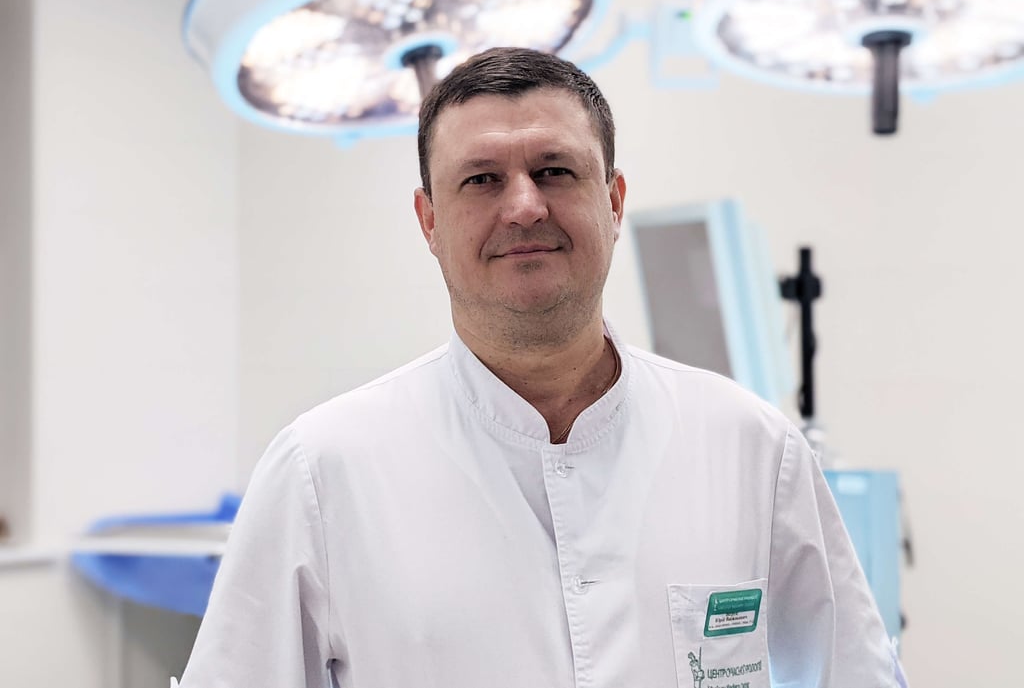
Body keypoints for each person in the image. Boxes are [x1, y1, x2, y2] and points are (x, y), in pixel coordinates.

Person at [176, 47, 906, 687]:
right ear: (429, 221)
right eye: (481, 180)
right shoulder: (321, 471)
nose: (524, 206)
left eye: (554, 171)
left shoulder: (754, 448)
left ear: (613, 201)